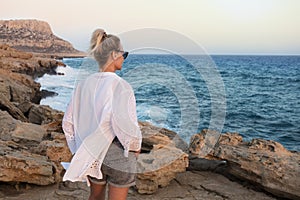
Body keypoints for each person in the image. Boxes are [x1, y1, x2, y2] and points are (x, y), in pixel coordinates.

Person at [62, 29, 142, 200]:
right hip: (117, 153)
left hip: (92, 153)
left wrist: (79, 148)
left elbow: (68, 123)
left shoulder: (83, 85)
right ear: (114, 55)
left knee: (95, 197)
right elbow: (123, 122)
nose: (124, 58)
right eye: (123, 54)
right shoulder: (121, 85)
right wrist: (135, 146)